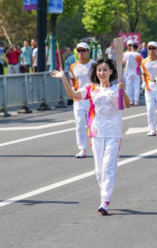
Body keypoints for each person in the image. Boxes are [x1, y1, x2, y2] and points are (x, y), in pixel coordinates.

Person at [51, 58, 130, 215]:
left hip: (113, 133)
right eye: (99, 70)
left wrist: (123, 91)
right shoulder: (90, 88)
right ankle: (105, 192)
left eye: (105, 70)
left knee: (108, 168)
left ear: (111, 72)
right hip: (96, 133)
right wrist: (64, 78)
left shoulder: (116, 89)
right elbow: (72, 94)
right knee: (99, 172)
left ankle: (105, 201)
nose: (102, 73)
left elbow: (126, 105)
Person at [69, 42, 95, 158]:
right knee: (79, 123)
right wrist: (73, 91)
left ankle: (96, 146)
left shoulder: (94, 64)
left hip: (92, 98)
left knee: (93, 124)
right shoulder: (73, 66)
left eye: (83, 50)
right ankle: (82, 149)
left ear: (87, 52)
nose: (80, 53)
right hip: (79, 99)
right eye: (78, 50)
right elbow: (72, 80)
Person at [123, 40, 142, 106]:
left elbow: (123, 63)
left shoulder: (126, 54)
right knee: (136, 87)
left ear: (131, 47)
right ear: (136, 47)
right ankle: (136, 101)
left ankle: (129, 100)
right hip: (136, 72)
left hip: (128, 72)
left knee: (128, 87)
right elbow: (141, 63)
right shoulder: (138, 55)